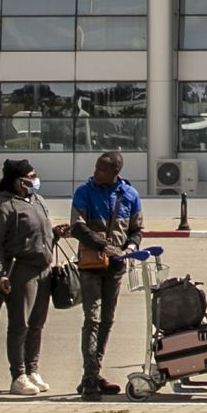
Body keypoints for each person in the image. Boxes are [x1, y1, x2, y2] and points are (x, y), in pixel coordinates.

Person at [0, 158, 65, 396]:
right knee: (20, 324)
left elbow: (41, 233)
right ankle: (18, 375)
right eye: (30, 176)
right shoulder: (3, 206)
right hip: (21, 270)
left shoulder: (37, 200)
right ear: (18, 181)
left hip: (44, 270)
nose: (34, 180)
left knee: (37, 324)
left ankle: (33, 369)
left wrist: (55, 235)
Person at [69, 152, 143, 400]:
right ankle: (90, 378)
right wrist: (104, 246)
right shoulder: (84, 192)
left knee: (107, 320)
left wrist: (130, 248)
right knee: (93, 319)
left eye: (102, 169)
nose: (96, 173)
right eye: (96, 168)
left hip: (116, 266)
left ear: (115, 172)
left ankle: (93, 371)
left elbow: (135, 230)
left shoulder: (130, 196)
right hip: (91, 264)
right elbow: (77, 227)